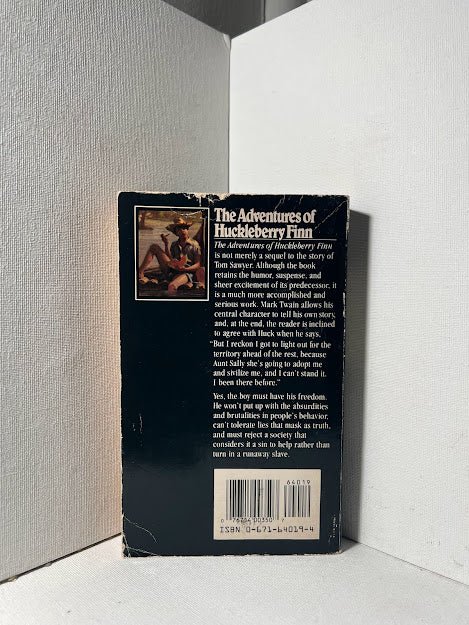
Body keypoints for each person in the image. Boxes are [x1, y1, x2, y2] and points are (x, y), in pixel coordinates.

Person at [138, 216, 205, 296]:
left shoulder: (194, 245)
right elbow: (171, 258)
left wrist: (185, 269)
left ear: (187, 230)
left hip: (186, 272)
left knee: (172, 286)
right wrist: (166, 244)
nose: (182, 231)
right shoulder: (174, 244)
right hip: (172, 270)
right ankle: (140, 272)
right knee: (154, 247)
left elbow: (198, 264)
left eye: (184, 228)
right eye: (179, 229)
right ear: (176, 233)